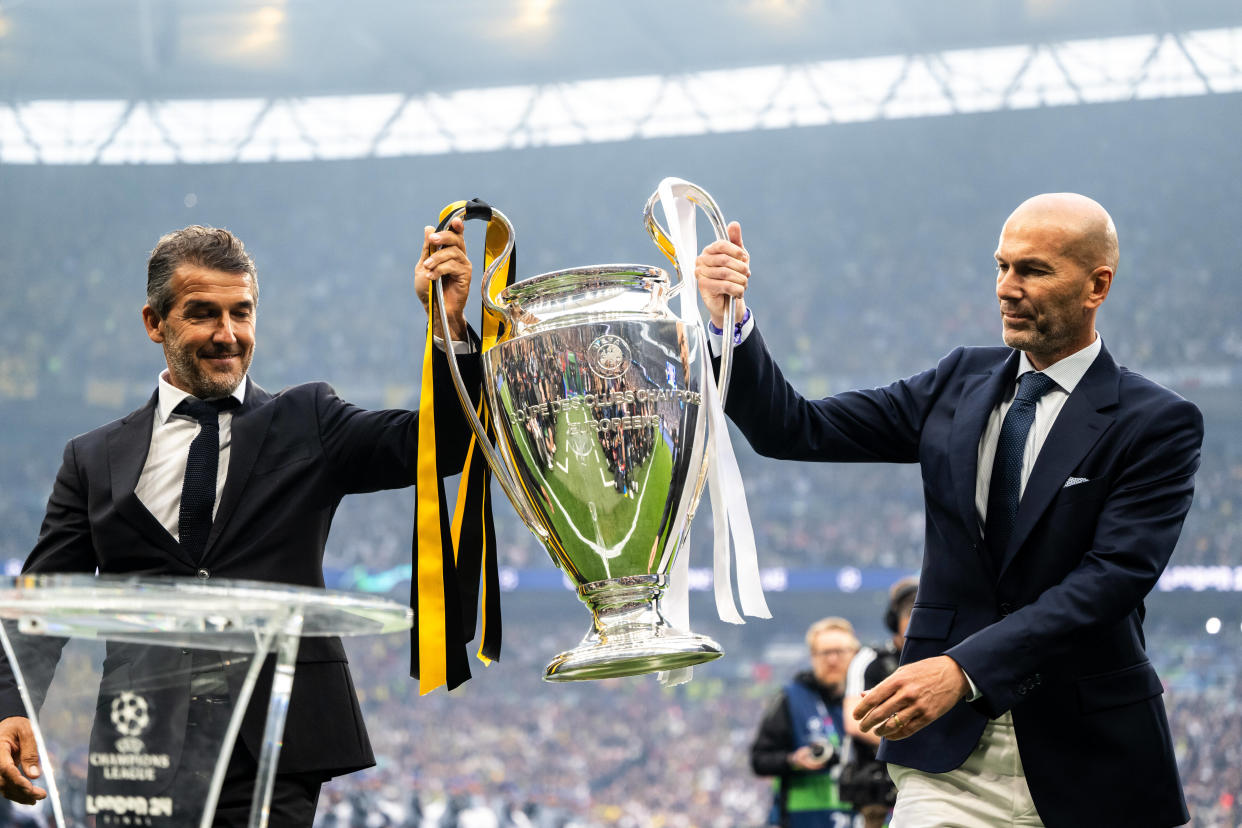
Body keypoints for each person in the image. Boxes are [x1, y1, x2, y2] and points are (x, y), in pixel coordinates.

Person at [696, 193, 1203, 827]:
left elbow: (1112, 580)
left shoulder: (1155, 421)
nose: (1007, 289)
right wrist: (728, 324)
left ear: (1096, 285)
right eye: (1001, 266)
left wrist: (964, 668)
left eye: (1034, 271)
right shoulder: (958, 381)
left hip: (1092, 760)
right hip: (947, 758)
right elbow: (795, 429)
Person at [0, 220, 480, 825]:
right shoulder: (92, 458)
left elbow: (447, 441)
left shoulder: (308, 418)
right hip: (138, 748)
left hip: (274, 750)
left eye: (242, 313)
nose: (227, 335)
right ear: (155, 323)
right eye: (203, 313)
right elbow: (39, 605)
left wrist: (450, 331)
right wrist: (9, 707)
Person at [751, 617, 860, 827]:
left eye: (840, 652)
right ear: (813, 657)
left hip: (862, 817)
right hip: (803, 819)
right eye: (825, 653)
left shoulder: (870, 697)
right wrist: (793, 760)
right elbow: (759, 760)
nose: (833, 660)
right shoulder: (791, 698)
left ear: (855, 655)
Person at [839, 577, 918, 828]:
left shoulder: (944, 663)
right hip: (878, 791)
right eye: (910, 613)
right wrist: (914, 744)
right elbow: (855, 721)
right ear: (894, 621)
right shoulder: (871, 658)